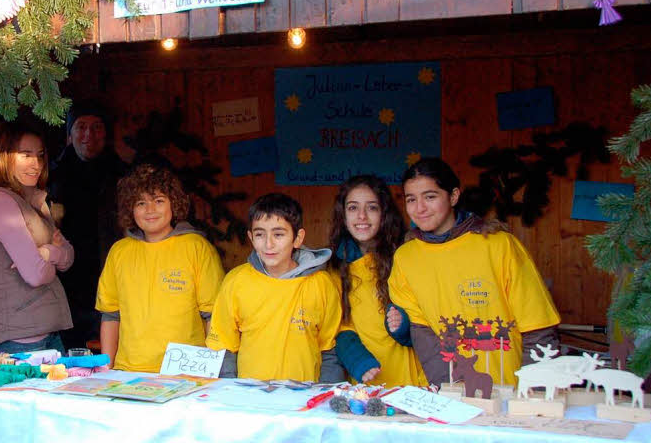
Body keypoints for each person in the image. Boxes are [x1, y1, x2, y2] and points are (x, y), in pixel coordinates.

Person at [388, 158, 560, 386]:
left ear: (453, 196)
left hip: (508, 392)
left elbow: (538, 328)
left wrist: (531, 394)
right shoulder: (405, 257)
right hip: (449, 393)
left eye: (430, 197)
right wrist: (452, 391)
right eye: (411, 199)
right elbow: (422, 333)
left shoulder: (499, 245)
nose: (419, 208)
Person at [96, 164, 224, 372]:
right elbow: (111, 315)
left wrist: (210, 371)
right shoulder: (120, 251)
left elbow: (213, 317)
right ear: (131, 208)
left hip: (185, 372)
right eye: (141, 203)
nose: (150, 210)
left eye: (158, 201)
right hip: (128, 372)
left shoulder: (197, 248)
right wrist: (106, 369)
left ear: (173, 203)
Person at [207, 193, 342, 382]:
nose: (269, 244)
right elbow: (224, 347)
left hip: (304, 401)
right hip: (251, 401)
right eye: (260, 234)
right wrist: (232, 392)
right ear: (251, 238)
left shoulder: (321, 284)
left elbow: (329, 350)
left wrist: (325, 396)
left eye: (278, 234)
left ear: (298, 238)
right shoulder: (236, 281)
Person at [0, 123, 74, 355]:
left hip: (46, 331)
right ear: (5, 157)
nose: (36, 164)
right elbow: (37, 274)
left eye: (39, 156)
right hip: (16, 340)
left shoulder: (34, 200)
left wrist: (48, 252)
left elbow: (68, 257)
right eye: (25, 155)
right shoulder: (0, 202)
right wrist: (50, 258)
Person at [329, 175, 427, 387]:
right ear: (343, 216)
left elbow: (431, 317)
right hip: (367, 380)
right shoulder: (334, 268)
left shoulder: (406, 255)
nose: (362, 216)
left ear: (384, 214)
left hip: (415, 378)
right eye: (353, 208)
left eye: (372, 207)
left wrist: (403, 327)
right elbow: (340, 329)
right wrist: (358, 360)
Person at [49, 101, 127, 349]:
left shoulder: (120, 173)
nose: (88, 135)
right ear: (70, 134)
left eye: (96, 127)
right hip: (65, 276)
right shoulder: (52, 174)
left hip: (109, 267)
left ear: (106, 133)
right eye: (81, 127)